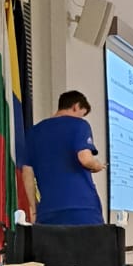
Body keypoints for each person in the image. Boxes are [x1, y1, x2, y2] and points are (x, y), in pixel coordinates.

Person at [28, 90, 104, 226]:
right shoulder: (80, 125)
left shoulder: (34, 132)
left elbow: (27, 172)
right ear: (76, 106)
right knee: (90, 246)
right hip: (82, 207)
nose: (81, 118)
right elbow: (85, 159)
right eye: (81, 114)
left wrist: (33, 209)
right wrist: (97, 165)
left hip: (48, 210)